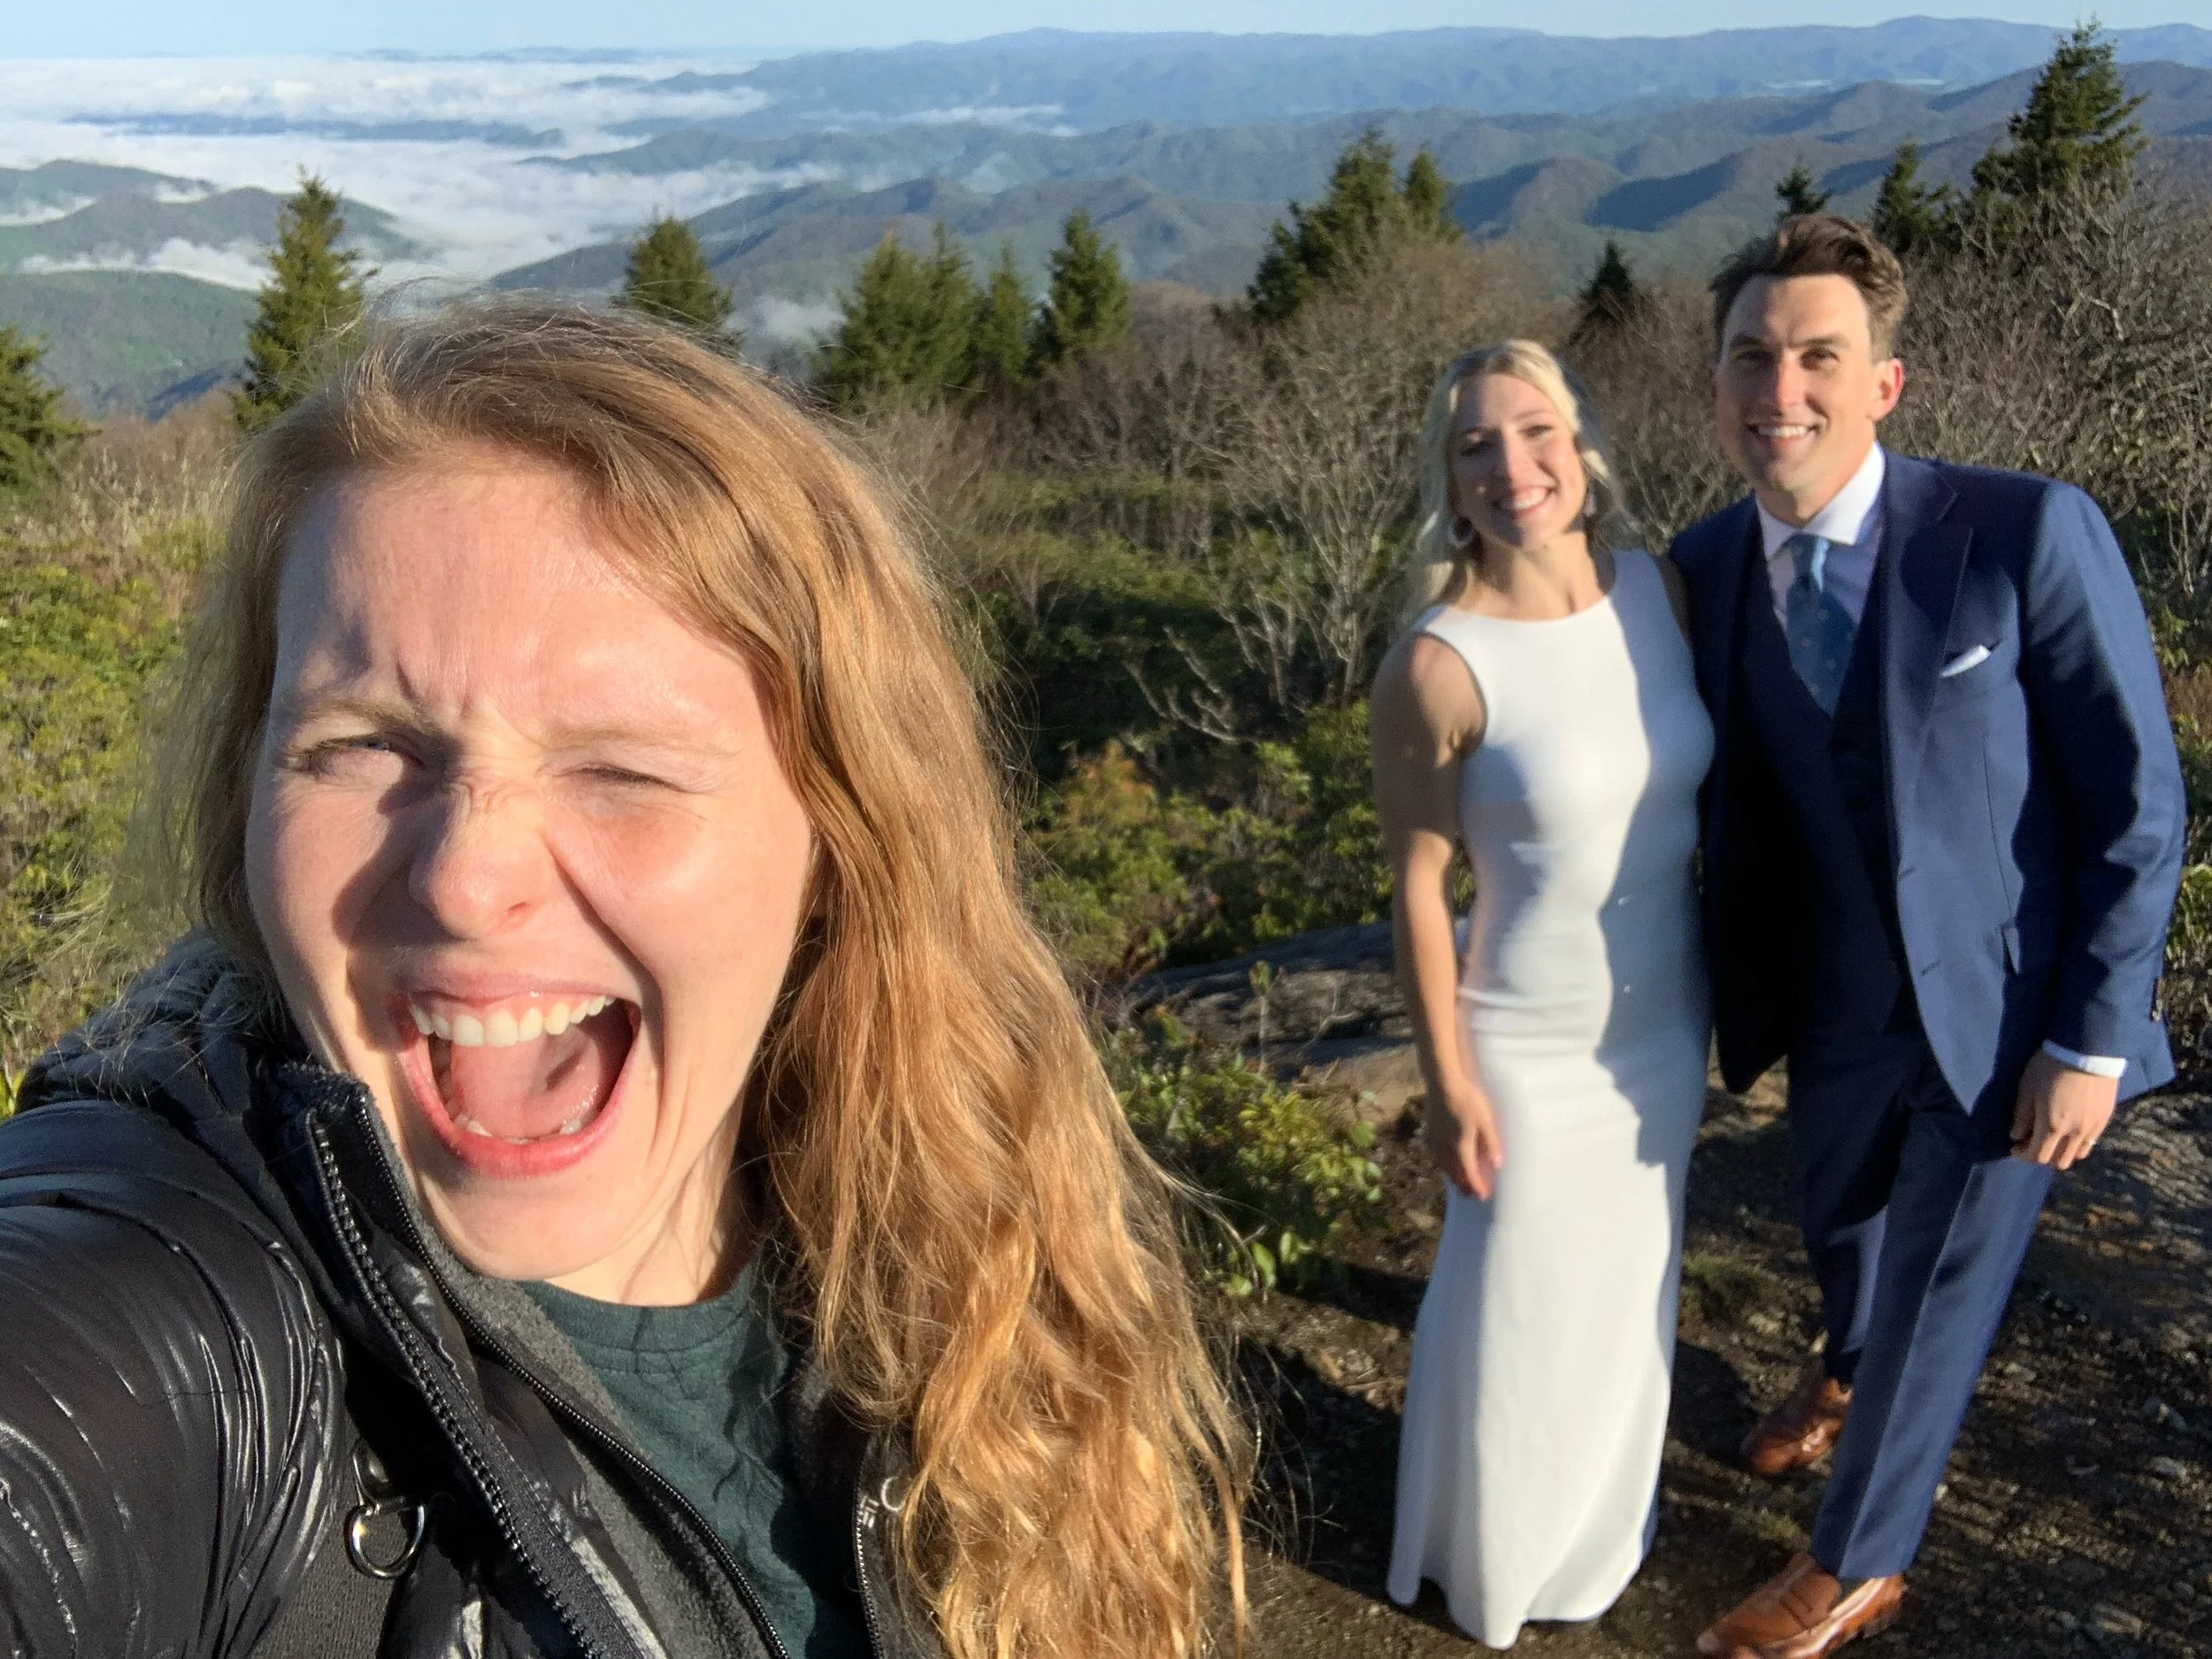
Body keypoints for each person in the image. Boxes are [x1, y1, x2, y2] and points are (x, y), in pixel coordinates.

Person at [0, 299, 1248, 1659]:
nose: (467, 880)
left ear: (843, 833)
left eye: (620, 767)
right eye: (362, 747)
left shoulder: (954, 1257)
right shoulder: (176, 1312)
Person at [1674, 215, 2185, 1658]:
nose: (1784, 387)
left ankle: (1856, 1559)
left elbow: (2137, 799)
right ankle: (1842, 1369)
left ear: (1885, 383)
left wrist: (2093, 1035)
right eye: (1752, 356)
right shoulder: (1706, 565)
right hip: (1830, 994)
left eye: (1820, 355)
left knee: (1940, 1288)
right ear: (1714, 383)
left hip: (2009, 1016)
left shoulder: (2024, 530)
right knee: (1839, 1225)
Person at [1373, 341, 1714, 1648]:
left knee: (1630, 1290)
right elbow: (1416, 886)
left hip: (1663, 1033)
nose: (1512, 466)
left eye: (1536, 433)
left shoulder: (1664, 597)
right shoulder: (1439, 664)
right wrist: (1445, 1075)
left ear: (1583, 448)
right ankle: (1484, 1560)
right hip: (1524, 1046)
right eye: (1476, 446)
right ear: (1450, 483)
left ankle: (1592, 1545)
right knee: (1512, 1305)